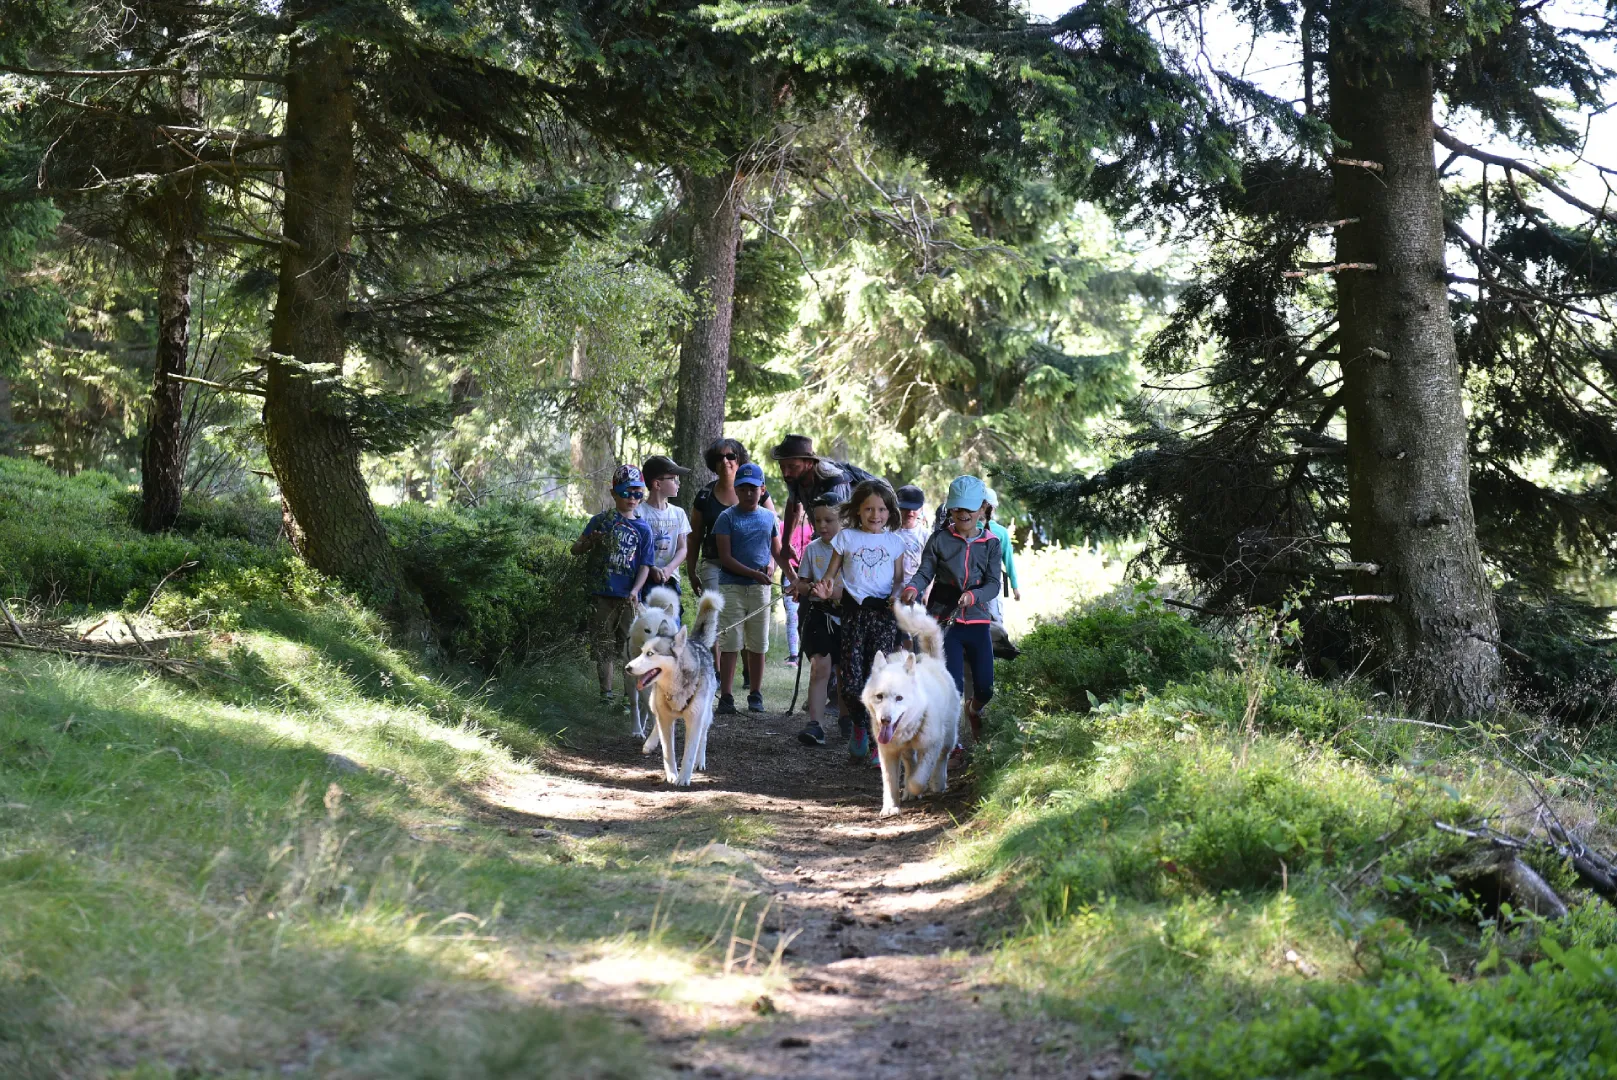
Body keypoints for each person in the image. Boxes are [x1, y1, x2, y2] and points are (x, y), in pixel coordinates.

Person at [901, 475, 1002, 753]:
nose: (964, 514)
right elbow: (925, 572)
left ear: (983, 509)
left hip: (978, 620)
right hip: (946, 622)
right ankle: (952, 744)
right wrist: (913, 586)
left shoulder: (991, 543)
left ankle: (974, 710)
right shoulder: (939, 539)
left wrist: (974, 595)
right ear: (950, 510)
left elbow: (994, 584)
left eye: (970, 508)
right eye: (958, 508)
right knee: (952, 687)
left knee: (985, 688)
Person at [818, 478, 907, 763]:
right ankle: (859, 723)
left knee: (878, 678)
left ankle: (876, 742)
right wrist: (825, 587)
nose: (875, 515)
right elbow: (830, 574)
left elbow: (898, 580)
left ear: (890, 512)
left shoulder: (895, 542)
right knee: (852, 681)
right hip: (854, 614)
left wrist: (897, 596)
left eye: (881, 509)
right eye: (869, 509)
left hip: (882, 615)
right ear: (858, 510)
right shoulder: (846, 538)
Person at [571, 465, 655, 706]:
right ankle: (605, 694)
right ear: (614, 493)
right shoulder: (601, 521)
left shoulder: (644, 529)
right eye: (627, 492)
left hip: (628, 598)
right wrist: (590, 542)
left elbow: (645, 565)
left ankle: (631, 698)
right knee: (603, 645)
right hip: (602, 595)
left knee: (630, 648)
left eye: (638, 493)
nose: (632, 498)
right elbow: (575, 549)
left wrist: (636, 590)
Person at [688, 438, 773, 670]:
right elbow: (694, 536)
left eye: (730, 456)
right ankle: (716, 672)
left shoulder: (758, 491)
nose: (725, 461)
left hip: (753, 567)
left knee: (749, 616)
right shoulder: (705, 496)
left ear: (739, 459)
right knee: (716, 613)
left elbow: (773, 531)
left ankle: (748, 670)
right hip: (716, 563)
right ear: (712, 464)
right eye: (719, 457)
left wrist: (772, 564)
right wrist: (691, 570)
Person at [712, 463, 780, 714]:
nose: (749, 493)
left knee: (758, 642)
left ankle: (755, 694)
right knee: (730, 640)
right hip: (732, 586)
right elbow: (725, 558)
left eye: (754, 488)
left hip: (760, 589)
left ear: (762, 490)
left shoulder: (769, 517)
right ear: (737, 490)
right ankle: (727, 696)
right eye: (743, 488)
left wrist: (771, 567)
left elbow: (775, 550)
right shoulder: (726, 518)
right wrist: (752, 573)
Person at [769, 434, 877, 577]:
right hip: (828, 537)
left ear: (808, 463)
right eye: (782, 467)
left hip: (855, 541)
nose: (786, 472)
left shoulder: (834, 481)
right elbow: (793, 505)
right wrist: (786, 542)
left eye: (791, 466)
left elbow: (844, 526)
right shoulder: (794, 476)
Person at [793, 494, 844, 747]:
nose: (822, 526)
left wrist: (835, 593)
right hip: (819, 615)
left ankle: (849, 719)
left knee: (846, 671)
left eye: (829, 520)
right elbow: (801, 583)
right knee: (820, 667)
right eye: (817, 520)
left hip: (848, 615)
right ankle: (816, 724)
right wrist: (808, 587)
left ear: (843, 519)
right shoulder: (812, 549)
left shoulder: (852, 546)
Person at [639, 455, 692, 618]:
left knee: (670, 631)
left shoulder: (679, 513)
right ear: (657, 484)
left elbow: (683, 548)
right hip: (642, 582)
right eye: (674, 479)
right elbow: (636, 550)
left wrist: (669, 569)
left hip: (670, 582)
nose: (679, 483)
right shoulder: (638, 513)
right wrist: (651, 568)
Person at [781, 504, 814, 667]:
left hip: (809, 575)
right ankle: (794, 654)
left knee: (807, 614)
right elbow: (778, 551)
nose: (797, 511)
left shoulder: (814, 529)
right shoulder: (783, 527)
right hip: (790, 572)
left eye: (800, 507)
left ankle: (807, 650)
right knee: (792, 615)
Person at [981, 487, 1020, 622]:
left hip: (975, 583)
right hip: (993, 582)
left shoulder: (968, 529)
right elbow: (1009, 561)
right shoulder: (1001, 532)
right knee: (996, 618)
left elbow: (1008, 560)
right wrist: (1015, 586)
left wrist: (1014, 585)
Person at [895, 484, 930, 582]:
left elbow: (930, 567)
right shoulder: (887, 532)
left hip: (914, 588)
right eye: (905, 508)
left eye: (914, 509)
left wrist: (926, 594)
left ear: (921, 508)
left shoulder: (926, 535)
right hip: (888, 588)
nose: (910, 513)